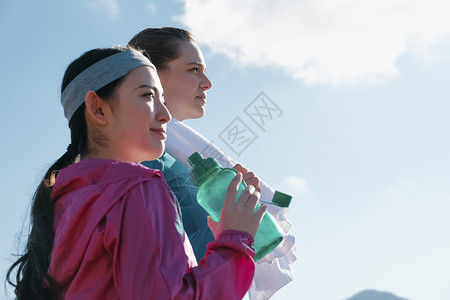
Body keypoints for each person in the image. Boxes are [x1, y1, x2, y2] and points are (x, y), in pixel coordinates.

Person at [6, 46, 266, 299]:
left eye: (162, 100)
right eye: (147, 96)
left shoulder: (63, 200)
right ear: (98, 109)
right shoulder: (138, 187)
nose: (165, 115)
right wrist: (234, 240)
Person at [128, 28, 296, 300]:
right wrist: (232, 226)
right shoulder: (143, 158)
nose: (207, 82)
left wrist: (237, 211)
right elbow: (158, 272)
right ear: (153, 77)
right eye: (194, 69)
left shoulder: (175, 159)